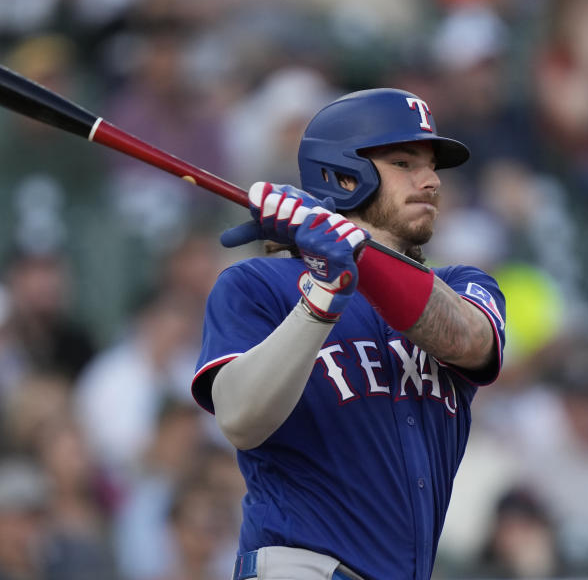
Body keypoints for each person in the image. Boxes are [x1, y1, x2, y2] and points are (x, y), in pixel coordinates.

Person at [191, 88, 507, 579]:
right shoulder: (259, 284)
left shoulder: (461, 285)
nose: (430, 181)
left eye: (432, 167)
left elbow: (469, 340)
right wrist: (321, 297)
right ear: (342, 175)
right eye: (404, 162)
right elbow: (239, 419)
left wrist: (352, 252)